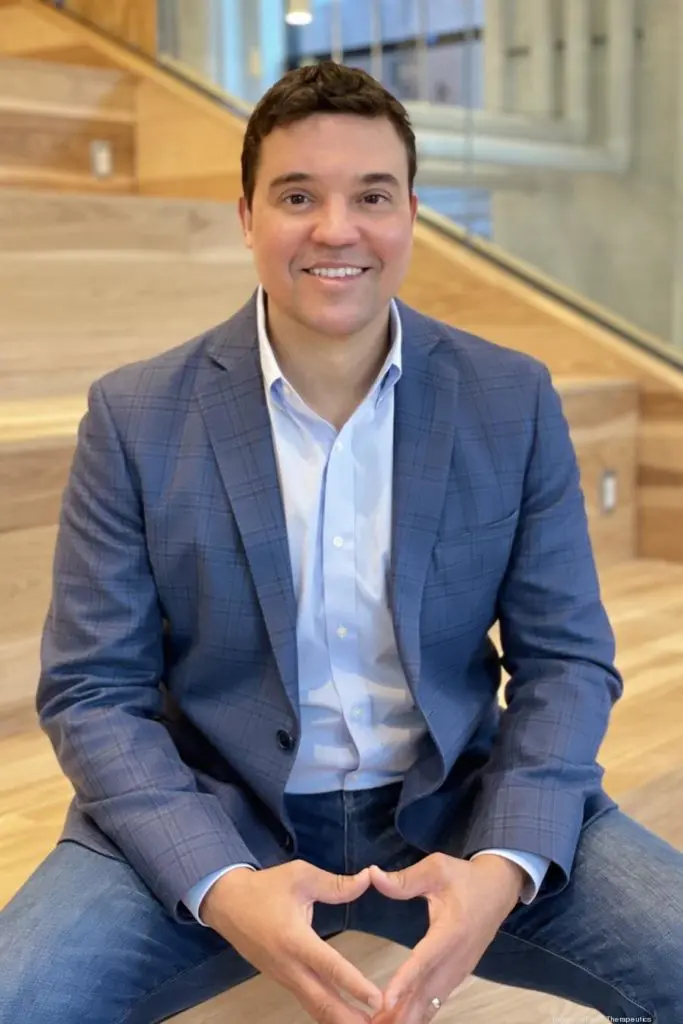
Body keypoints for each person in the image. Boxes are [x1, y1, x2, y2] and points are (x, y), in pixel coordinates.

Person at [0, 61, 681, 1024]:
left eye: (371, 195)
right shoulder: (135, 414)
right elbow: (92, 690)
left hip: (459, 809)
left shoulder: (510, 397)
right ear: (246, 217)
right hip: (218, 813)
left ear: (411, 214)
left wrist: (501, 865)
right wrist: (222, 884)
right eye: (296, 196)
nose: (335, 229)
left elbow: (566, 662)